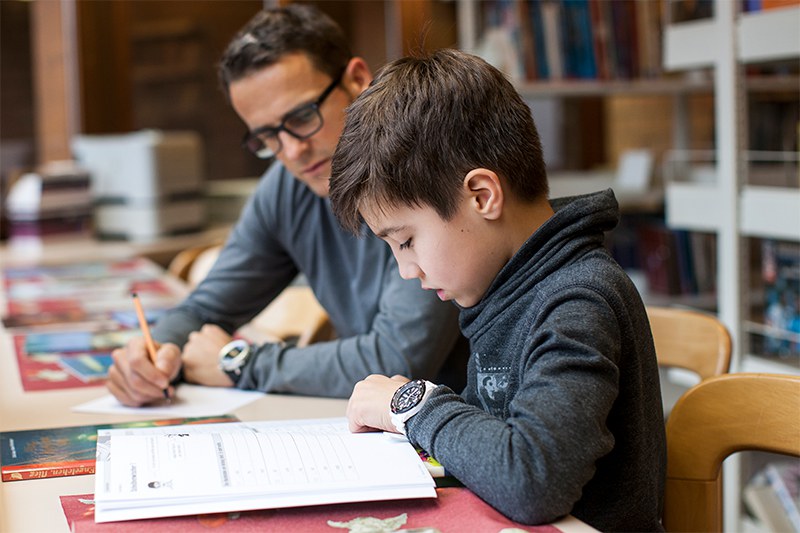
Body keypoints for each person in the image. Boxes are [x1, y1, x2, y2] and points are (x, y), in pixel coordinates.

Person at [328, 48, 666, 531]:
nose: (406, 269)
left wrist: (412, 404)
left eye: (406, 241)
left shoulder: (576, 300)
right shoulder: (509, 286)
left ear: (482, 196)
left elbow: (533, 480)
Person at [107, 5, 467, 406]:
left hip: (456, 429)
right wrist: (150, 352)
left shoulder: (424, 169)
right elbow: (203, 310)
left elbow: (401, 359)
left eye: (302, 116)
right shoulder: (288, 187)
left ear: (357, 80)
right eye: (267, 137)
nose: (293, 150)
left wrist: (239, 362)